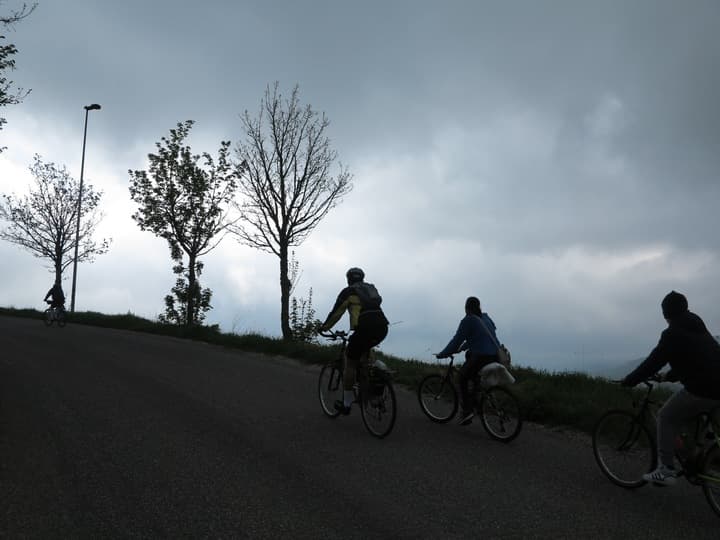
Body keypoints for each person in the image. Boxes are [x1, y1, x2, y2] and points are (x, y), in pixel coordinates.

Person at [622, 291, 720, 486]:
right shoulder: (695, 322)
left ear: (665, 313)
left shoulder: (671, 333)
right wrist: (667, 376)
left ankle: (666, 469)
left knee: (665, 417)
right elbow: (695, 357)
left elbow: (653, 362)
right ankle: (700, 458)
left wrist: (630, 380)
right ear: (685, 307)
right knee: (693, 417)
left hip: (703, 389)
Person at [319, 267, 389, 415]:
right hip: (382, 327)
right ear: (362, 278)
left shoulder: (348, 292)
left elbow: (336, 312)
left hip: (364, 328)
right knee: (365, 356)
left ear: (348, 279)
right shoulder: (370, 291)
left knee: (350, 361)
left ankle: (347, 403)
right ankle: (376, 388)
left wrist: (324, 327)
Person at [436, 296, 500, 426]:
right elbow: (482, 336)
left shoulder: (468, 320)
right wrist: (463, 347)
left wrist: (443, 353)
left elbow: (457, 339)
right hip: (495, 355)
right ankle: (475, 398)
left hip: (481, 357)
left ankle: (467, 411)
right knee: (473, 373)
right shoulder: (486, 318)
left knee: (462, 378)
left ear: (466, 308)